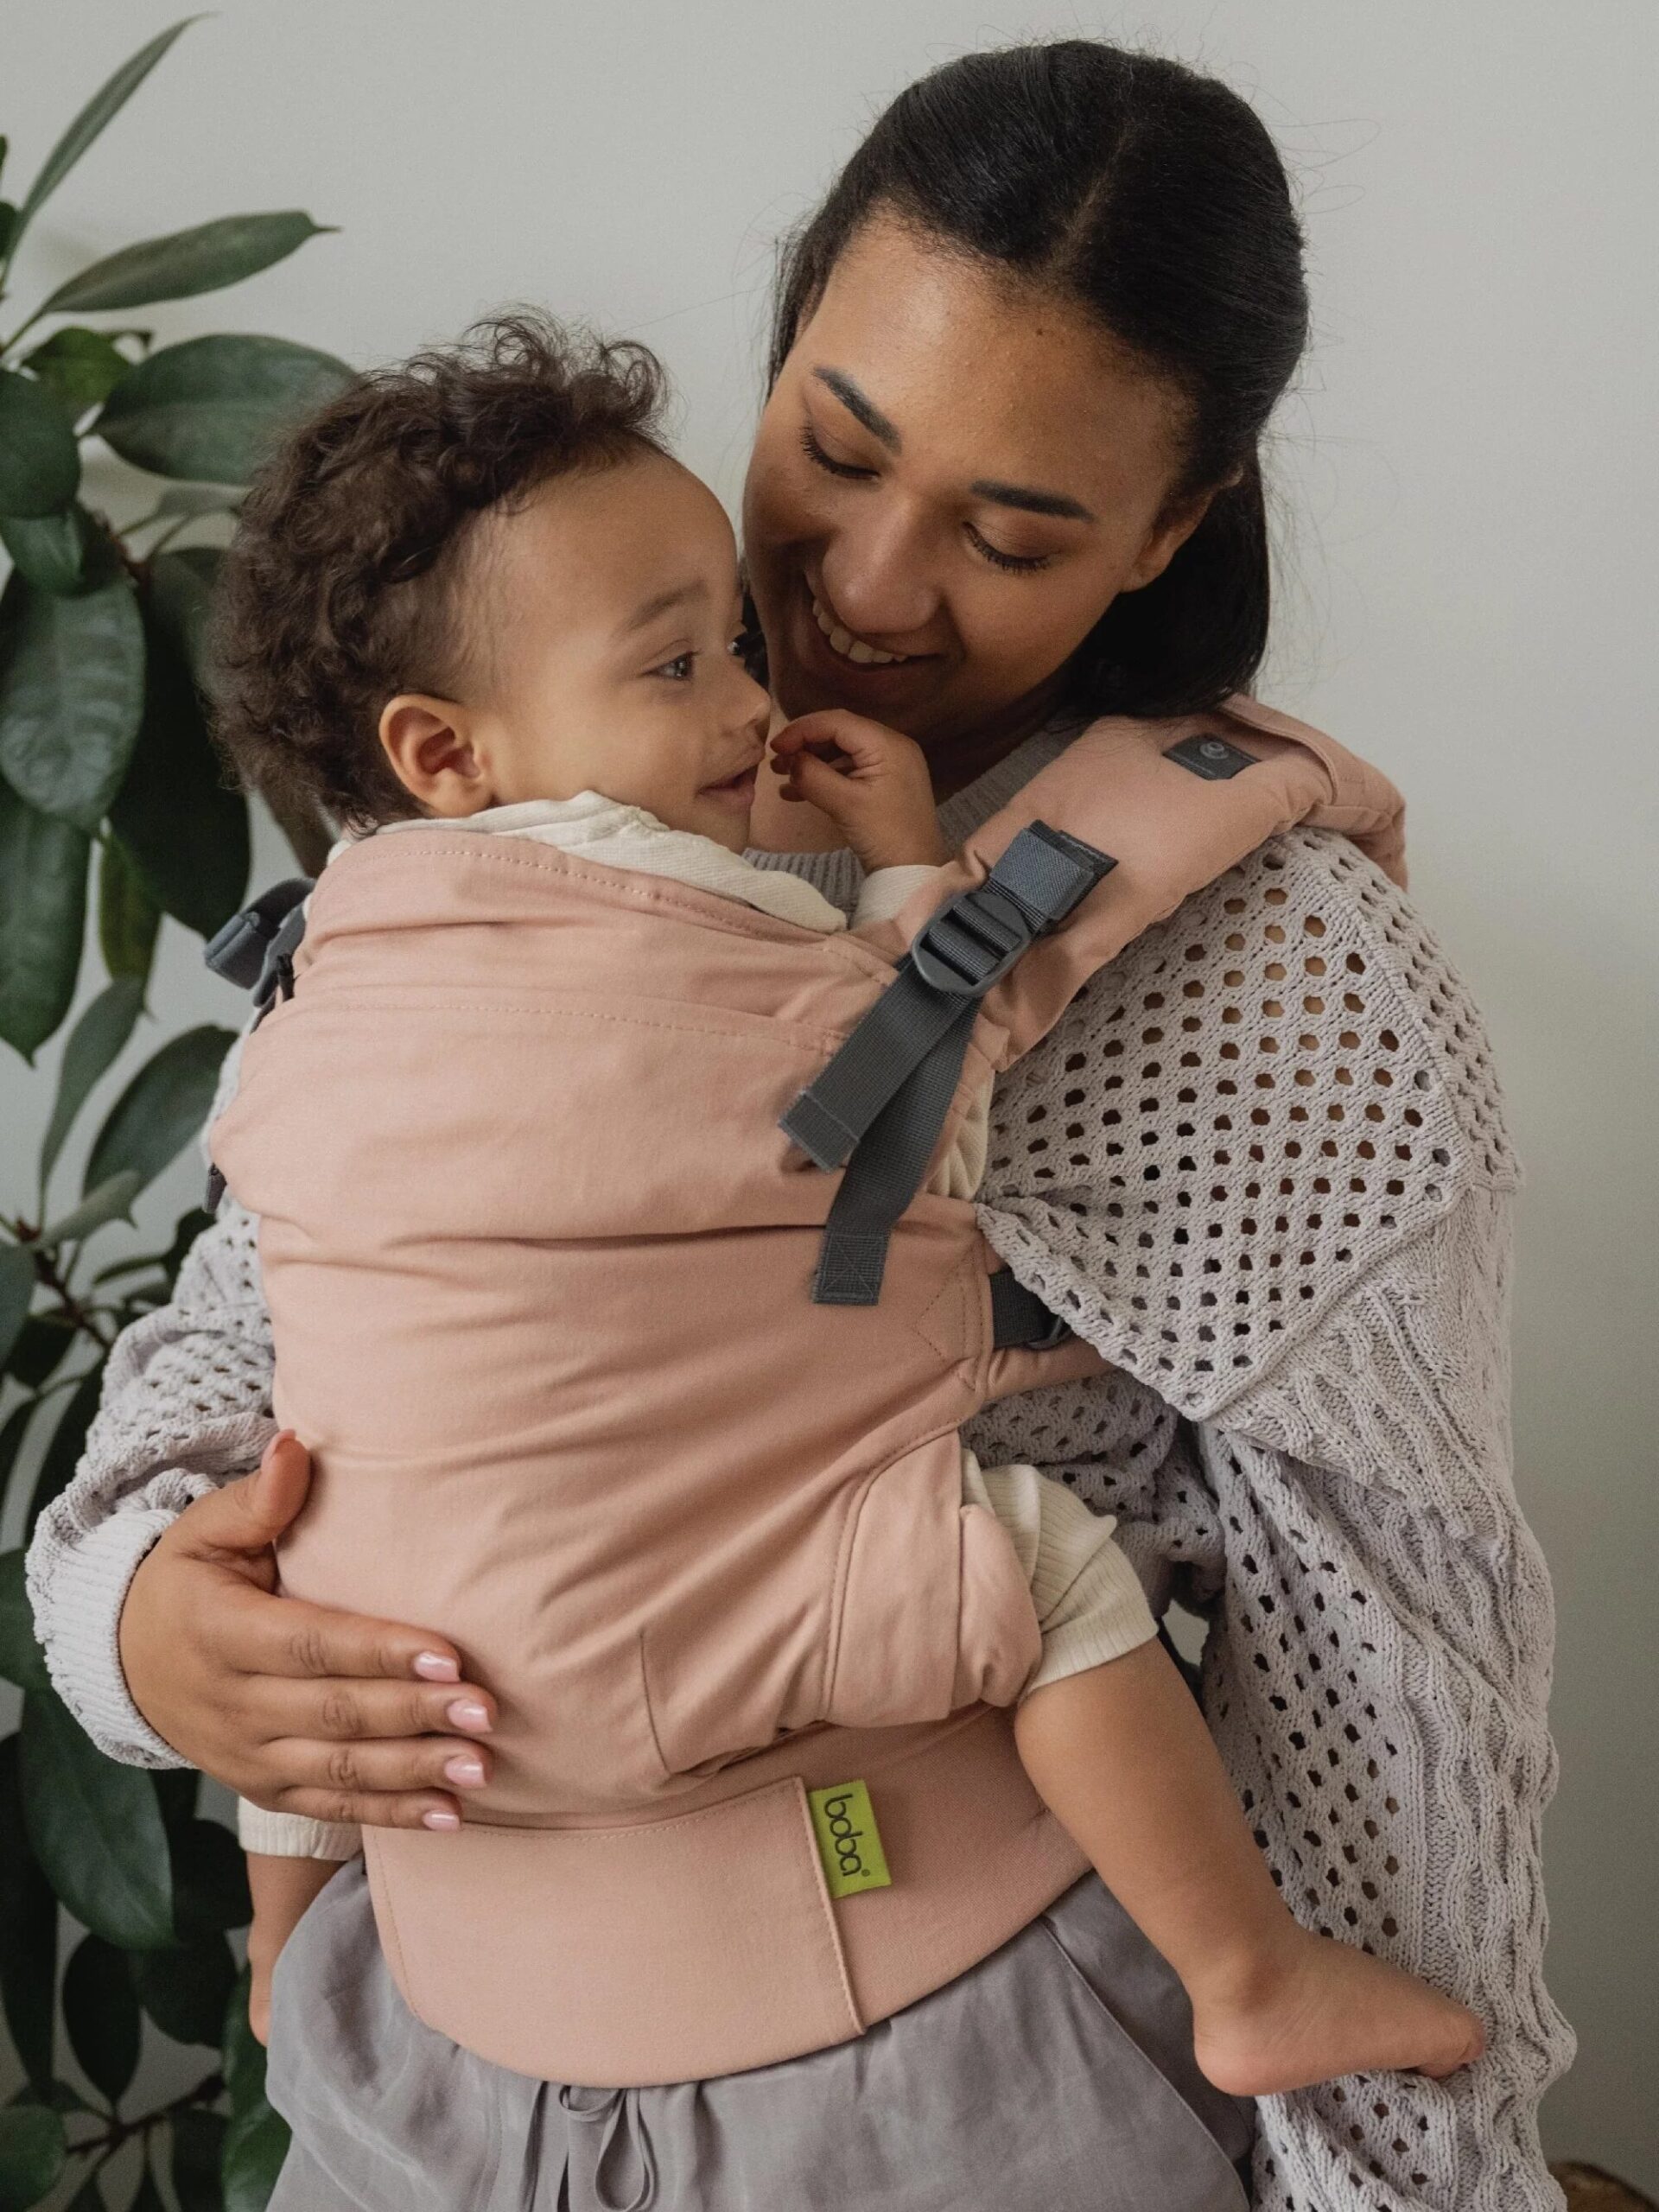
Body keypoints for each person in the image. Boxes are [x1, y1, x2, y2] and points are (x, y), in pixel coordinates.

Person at [26, 39, 1570, 2212]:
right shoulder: (487, 839)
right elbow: (239, 1339)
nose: (864, 583)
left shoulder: (1282, 989)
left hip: (966, 2089)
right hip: (418, 2091)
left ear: (1173, 527)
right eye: (831, 446)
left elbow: (1395, 1668)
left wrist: (1411, 2183)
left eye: (1016, 530)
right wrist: (140, 1628)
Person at [208, 315, 1481, 2101]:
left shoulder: (328, 952)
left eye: (732, 639)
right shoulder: (689, 911)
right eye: (676, 668)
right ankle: (1246, 1965)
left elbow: (257, 1273)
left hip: (418, 1703)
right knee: (1041, 1575)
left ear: (1172, 525)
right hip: (706, 1670)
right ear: (443, 750)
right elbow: (899, 1093)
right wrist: (907, 873)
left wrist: (152, 1624)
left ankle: (277, 1942)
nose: (750, 702)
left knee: (291, 1528)